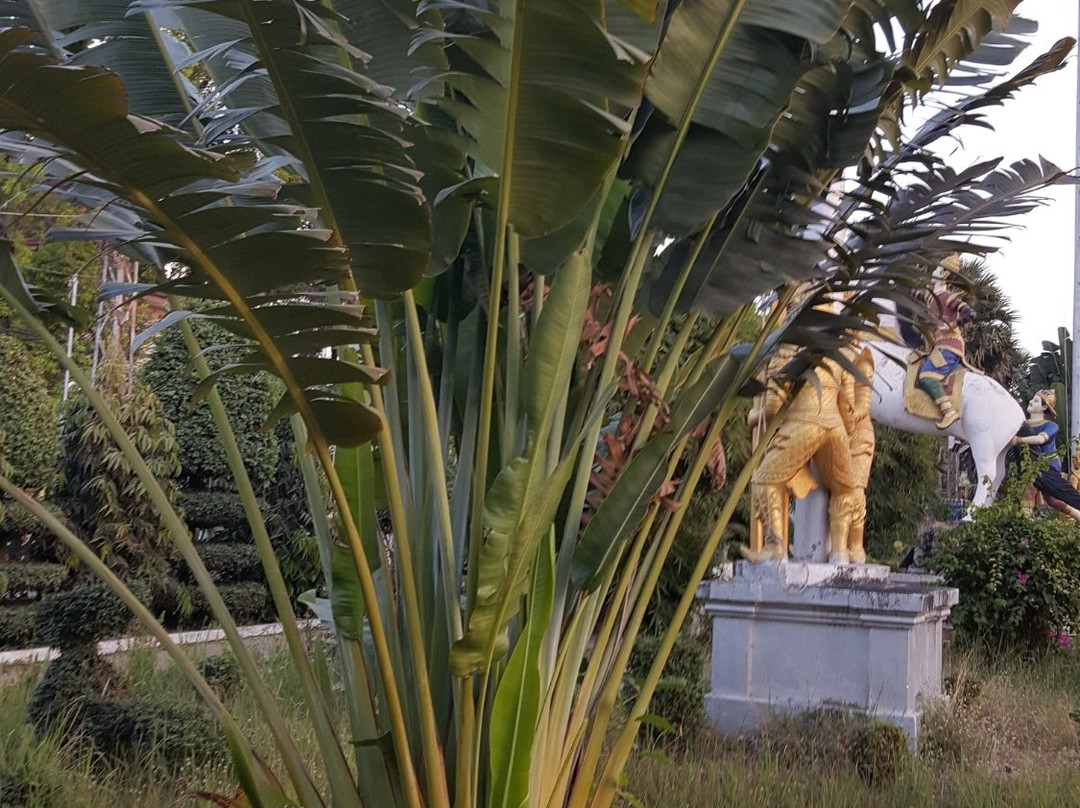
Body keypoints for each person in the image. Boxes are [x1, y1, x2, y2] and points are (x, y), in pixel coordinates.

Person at [914, 254, 976, 430]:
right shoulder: (930, 296)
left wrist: (949, 325)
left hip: (950, 345)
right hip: (936, 346)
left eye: (937, 269)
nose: (934, 271)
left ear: (943, 273)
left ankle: (948, 411)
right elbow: (912, 293)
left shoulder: (948, 297)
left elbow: (970, 314)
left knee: (926, 376)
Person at [1012, 389, 1080, 521]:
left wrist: (1016, 440)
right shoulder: (1023, 424)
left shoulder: (1051, 426)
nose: (1031, 401)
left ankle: (1026, 524)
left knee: (1044, 495)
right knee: (1048, 498)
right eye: (1032, 399)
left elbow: (1040, 439)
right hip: (1029, 463)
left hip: (1047, 465)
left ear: (1043, 407)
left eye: (1036, 400)